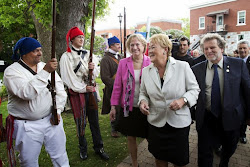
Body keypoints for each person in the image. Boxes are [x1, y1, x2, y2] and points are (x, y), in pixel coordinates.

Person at [3, 37, 69, 167]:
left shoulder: (44, 66)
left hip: (52, 119)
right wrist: (45, 72)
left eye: (40, 50)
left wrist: (58, 110)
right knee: (28, 162)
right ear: (24, 53)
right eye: (35, 51)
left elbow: (60, 91)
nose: (40, 53)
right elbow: (26, 93)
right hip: (27, 125)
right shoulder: (12, 72)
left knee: (60, 156)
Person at [139, 34, 200, 167]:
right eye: (149, 47)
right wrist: (143, 102)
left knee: (179, 160)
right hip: (156, 123)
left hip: (179, 124)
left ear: (165, 50)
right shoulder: (146, 71)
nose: (149, 51)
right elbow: (143, 93)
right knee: (159, 157)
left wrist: (183, 100)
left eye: (153, 47)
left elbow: (195, 90)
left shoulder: (182, 66)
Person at [191, 33, 250, 167]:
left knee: (229, 148)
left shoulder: (238, 65)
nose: (208, 51)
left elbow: (247, 91)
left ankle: (224, 162)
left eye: (212, 47)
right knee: (204, 153)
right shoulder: (197, 69)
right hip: (206, 118)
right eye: (205, 48)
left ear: (222, 48)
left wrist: (248, 116)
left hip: (231, 117)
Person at [60, 27, 109, 160]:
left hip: (90, 91)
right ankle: (83, 149)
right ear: (72, 40)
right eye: (78, 37)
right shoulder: (66, 56)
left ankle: (99, 147)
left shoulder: (88, 54)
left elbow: (95, 74)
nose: (82, 39)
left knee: (95, 121)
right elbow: (68, 77)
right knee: (80, 122)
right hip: (78, 92)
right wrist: (83, 88)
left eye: (82, 37)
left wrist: (92, 69)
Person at [110, 33, 151, 167]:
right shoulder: (123, 63)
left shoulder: (150, 62)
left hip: (148, 108)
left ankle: (156, 160)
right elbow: (117, 86)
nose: (134, 47)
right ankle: (134, 163)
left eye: (137, 44)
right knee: (131, 136)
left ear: (143, 46)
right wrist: (113, 107)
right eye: (131, 45)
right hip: (129, 108)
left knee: (151, 135)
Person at [100, 36, 122, 138]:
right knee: (114, 109)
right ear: (111, 45)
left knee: (121, 108)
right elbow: (105, 77)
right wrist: (116, 86)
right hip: (112, 88)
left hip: (122, 88)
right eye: (117, 44)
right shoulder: (105, 59)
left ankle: (121, 127)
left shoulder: (120, 57)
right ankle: (114, 129)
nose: (119, 46)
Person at [237, 40, 250, 144]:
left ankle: (242, 134)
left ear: (248, 49)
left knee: (245, 114)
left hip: (247, 94)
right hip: (236, 93)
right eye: (240, 48)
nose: (242, 50)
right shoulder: (233, 61)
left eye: (244, 48)